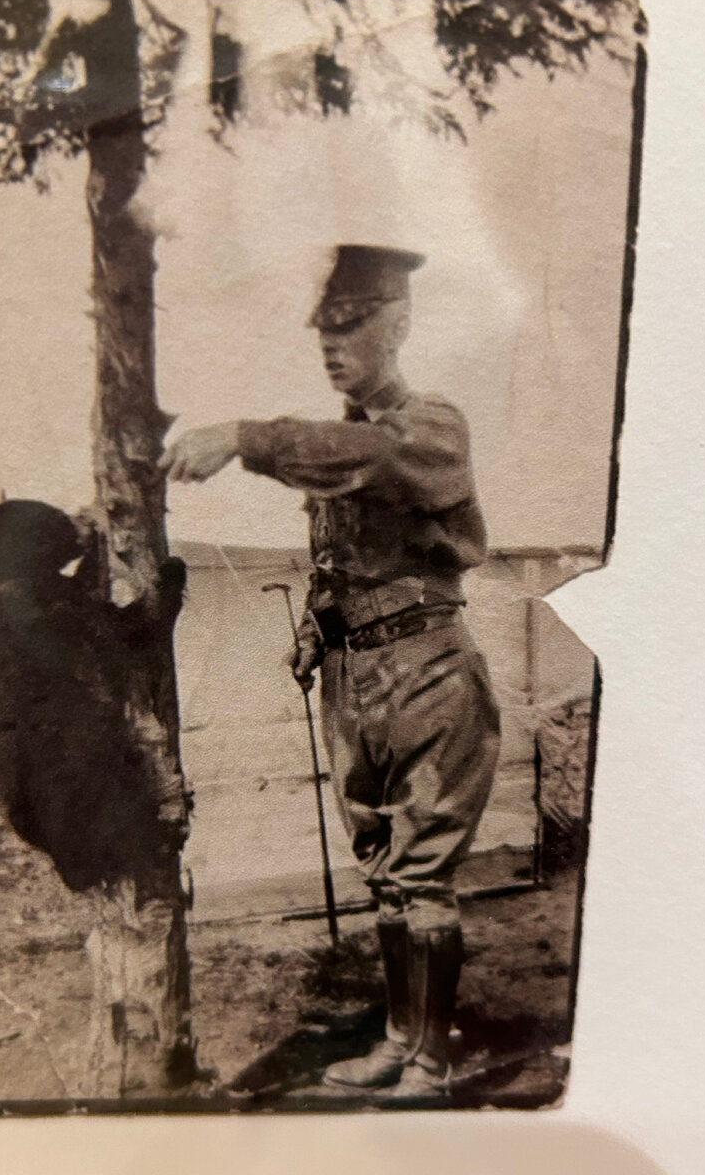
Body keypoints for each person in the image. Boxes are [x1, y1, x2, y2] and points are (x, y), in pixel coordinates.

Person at [160, 243, 500, 1096]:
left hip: (427, 672)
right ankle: (398, 1039)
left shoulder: (430, 427)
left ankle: (431, 1062)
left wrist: (243, 438)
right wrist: (317, 627)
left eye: (350, 327)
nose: (331, 344)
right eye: (324, 330)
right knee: (381, 866)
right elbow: (340, 556)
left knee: (421, 873)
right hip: (356, 679)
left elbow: (371, 459)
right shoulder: (341, 450)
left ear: (400, 325)